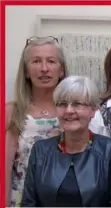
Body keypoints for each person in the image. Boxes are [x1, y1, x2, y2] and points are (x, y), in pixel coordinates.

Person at [20, 76, 111, 207]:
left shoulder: (110, 150)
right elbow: (28, 202)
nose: (69, 110)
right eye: (62, 104)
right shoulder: (41, 150)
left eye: (77, 104)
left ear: (93, 110)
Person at [6, 36, 67, 207]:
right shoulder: (12, 112)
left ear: (61, 70)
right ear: (26, 71)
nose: (44, 68)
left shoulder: (74, 112)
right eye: (36, 61)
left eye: (51, 61)